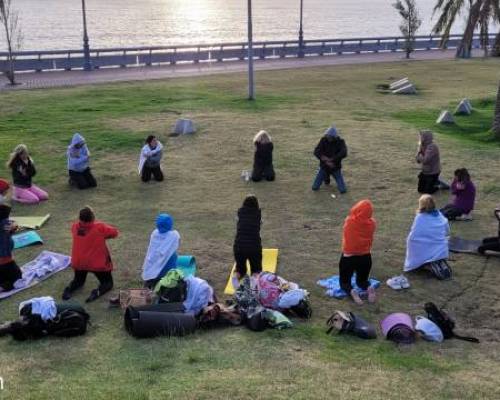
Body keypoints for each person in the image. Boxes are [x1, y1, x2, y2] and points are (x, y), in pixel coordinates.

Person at [62, 207, 119, 303]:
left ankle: (68, 290)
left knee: (78, 281)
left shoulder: (75, 227)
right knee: (107, 283)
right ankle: (96, 293)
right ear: (93, 217)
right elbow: (115, 233)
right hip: (97, 264)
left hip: (79, 262)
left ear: (79, 218)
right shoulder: (100, 227)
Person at [339, 200, 377, 305]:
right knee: (362, 281)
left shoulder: (349, 221)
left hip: (348, 257)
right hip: (365, 257)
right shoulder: (372, 223)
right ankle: (369, 288)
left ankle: (351, 291)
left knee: (345, 282)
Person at [404, 195, 449, 272]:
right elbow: (447, 230)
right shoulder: (440, 215)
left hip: (428, 246)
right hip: (441, 249)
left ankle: (426, 264)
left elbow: (414, 234)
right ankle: (436, 260)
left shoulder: (420, 217)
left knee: (411, 241)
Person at [142, 214, 181, 289]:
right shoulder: (174, 235)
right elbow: (178, 243)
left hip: (153, 266)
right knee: (173, 256)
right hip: (168, 271)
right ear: (170, 224)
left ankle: (152, 281)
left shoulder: (154, 233)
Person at [232, 195, 262, 288]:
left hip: (239, 245)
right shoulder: (257, 213)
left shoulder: (240, 212)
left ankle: (235, 279)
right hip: (254, 246)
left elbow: (238, 221)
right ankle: (253, 287)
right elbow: (260, 223)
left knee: (240, 269)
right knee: (256, 269)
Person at [312, 126, 347, 193]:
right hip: (324, 167)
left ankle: (327, 177)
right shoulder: (323, 140)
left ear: (334, 137)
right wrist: (325, 160)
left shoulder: (341, 142)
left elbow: (344, 153)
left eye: (329, 136)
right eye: (327, 136)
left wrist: (332, 160)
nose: (328, 137)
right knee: (314, 188)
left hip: (335, 168)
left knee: (343, 190)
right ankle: (326, 178)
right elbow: (316, 151)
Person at [0, 204, 22, 292]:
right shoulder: (4, 223)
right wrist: (13, 225)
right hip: (6, 262)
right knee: (17, 278)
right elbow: (12, 224)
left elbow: (13, 223)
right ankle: (2, 287)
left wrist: (14, 225)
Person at [416, 130, 441, 194]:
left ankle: (438, 185)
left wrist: (419, 156)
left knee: (428, 192)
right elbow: (418, 160)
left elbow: (425, 160)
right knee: (420, 190)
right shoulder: (422, 145)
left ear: (426, 138)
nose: (420, 138)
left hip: (433, 172)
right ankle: (434, 181)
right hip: (425, 171)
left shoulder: (432, 147)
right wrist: (419, 151)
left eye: (421, 137)